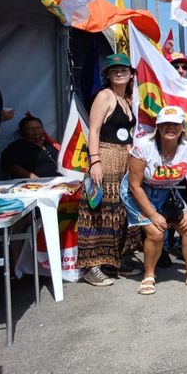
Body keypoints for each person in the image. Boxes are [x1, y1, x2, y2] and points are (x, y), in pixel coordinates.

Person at [121, 106, 187, 294]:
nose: (170, 127)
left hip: (167, 192)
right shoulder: (143, 146)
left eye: (175, 124)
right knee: (156, 232)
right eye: (165, 124)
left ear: (183, 127)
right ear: (158, 126)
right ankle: (148, 276)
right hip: (139, 192)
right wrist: (153, 215)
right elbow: (135, 185)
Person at [77, 53, 143, 287]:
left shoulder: (127, 98)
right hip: (105, 157)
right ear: (107, 75)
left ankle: (113, 261)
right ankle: (92, 267)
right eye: (114, 70)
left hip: (124, 160)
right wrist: (95, 161)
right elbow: (93, 131)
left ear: (131, 74)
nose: (119, 73)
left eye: (123, 69)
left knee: (120, 211)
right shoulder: (104, 96)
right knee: (99, 211)